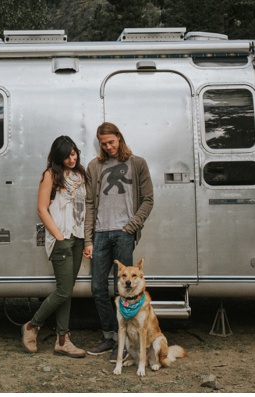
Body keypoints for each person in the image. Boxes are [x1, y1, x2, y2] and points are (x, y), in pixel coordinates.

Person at [82, 122, 154, 361]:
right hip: (101, 233)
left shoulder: (137, 163)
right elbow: (90, 204)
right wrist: (89, 238)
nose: (108, 147)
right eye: (103, 143)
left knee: (122, 289)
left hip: (124, 233)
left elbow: (148, 200)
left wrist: (131, 227)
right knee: (97, 288)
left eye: (111, 142)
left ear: (119, 139)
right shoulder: (94, 166)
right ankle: (110, 336)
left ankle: (123, 344)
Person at [21, 136, 88, 358]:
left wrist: (87, 240)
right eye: (67, 154)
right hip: (61, 238)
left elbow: (86, 207)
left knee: (66, 292)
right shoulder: (50, 175)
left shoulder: (80, 175)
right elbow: (42, 209)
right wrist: (58, 236)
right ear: (59, 156)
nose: (72, 158)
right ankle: (32, 326)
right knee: (63, 290)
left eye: (74, 153)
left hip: (77, 237)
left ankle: (62, 340)